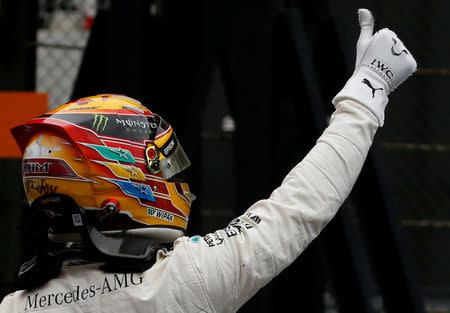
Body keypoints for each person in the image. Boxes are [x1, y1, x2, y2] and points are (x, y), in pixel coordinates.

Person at [0, 8, 416, 313]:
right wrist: (368, 91)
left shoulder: (16, 306)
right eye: (160, 163)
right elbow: (297, 209)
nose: (174, 176)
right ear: (120, 185)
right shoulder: (181, 283)